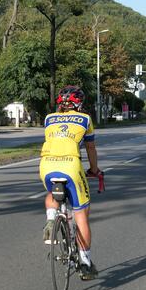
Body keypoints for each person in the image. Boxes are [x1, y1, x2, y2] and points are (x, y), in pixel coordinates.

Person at [39, 85, 101, 280]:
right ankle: (85, 262)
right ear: (79, 102)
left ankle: (50, 218)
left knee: (52, 194)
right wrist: (94, 169)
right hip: (71, 166)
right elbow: (90, 147)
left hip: (47, 165)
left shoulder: (49, 118)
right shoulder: (85, 119)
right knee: (81, 213)